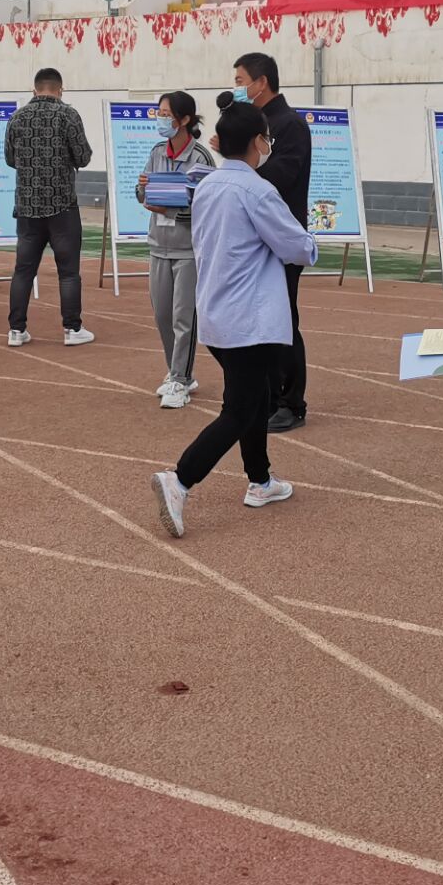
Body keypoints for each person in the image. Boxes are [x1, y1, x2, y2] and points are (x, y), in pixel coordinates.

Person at [149, 101, 319, 539]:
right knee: (241, 410)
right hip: (250, 320)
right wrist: (312, 242)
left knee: (256, 398)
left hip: (217, 312)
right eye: (266, 138)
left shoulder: (207, 184)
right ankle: (180, 479)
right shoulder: (257, 191)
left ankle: (260, 480)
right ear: (258, 141)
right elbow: (296, 247)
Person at [232, 52, 312, 431]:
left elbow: (282, 174)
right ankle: (267, 397)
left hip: (282, 237)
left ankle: (291, 403)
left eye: (240, 80)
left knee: (283, 319)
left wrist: (246, 163)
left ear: (261, 82)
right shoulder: (254, 123)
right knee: (260, 319)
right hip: (254, 237)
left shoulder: (290, 124)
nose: (237, 88)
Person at [136, 91, 215, 409]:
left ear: (184, 119)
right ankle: (176, 372)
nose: (161, 118)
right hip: (158, 246)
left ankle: (181, 379)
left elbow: (205, 206)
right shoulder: (157, 151)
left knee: (184, 317)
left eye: (166, 114)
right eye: (159, 113)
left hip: (187, 249)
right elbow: (142, 193)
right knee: (162, 315)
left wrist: (169, 207)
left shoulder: (201, 158)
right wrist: (143, 189)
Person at [4, 67, 94, 347]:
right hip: (62, 205)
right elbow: (83, 156)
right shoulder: (68, 115)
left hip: (27, 207)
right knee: (68, 271)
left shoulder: (17, 117)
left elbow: (10, 158)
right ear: (60, 89)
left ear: (34, 89)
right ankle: (72, 329)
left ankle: (16, 330)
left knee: (23, 270)